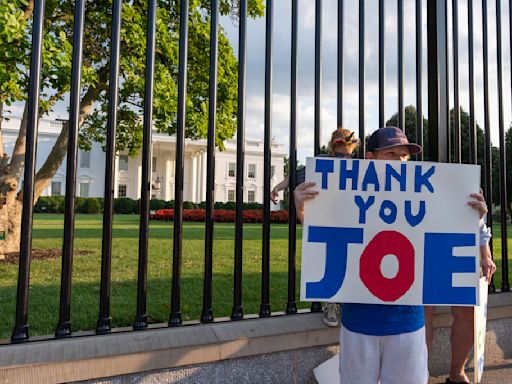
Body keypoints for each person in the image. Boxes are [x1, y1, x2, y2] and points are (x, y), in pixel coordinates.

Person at [294, 126, 492, 384]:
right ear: (370, 158)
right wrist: (303, 211)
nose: (400, 160)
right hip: (358, 321)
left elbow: (454, 229)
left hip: (407, 321)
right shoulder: (344, 194)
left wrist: (471, 216)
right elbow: (326, 233)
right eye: (391, 153)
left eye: (404, 155)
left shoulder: (425, 196)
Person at [271, 128, 360, 327]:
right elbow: (295, 176)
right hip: (325, 218)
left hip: (349, 218)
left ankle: (348, 301)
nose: (345, 159)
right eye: (341, 155)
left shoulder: (355, 166)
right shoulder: (319, 162)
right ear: (332, 149)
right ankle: (331, 304)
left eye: (349, 155)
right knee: (327, 258)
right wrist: (278, 188)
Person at [424, 201, 496, 384]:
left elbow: (479, 227)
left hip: (459, 247)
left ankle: (457, 373)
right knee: (422, 317)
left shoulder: (464, 179)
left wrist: (485, 256)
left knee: (468, 315)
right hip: (424, 245)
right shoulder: (413, 175)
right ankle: (418, 374)